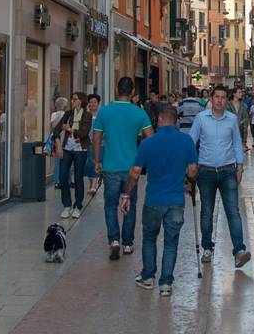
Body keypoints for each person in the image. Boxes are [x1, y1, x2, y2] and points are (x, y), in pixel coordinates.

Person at [121, 103, 197, 295]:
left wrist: (127, 194)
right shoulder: (186, 141)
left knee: (149, 239)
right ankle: (166, 284)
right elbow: (192, 170)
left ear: (159, 120)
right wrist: (186, 182)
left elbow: (135, 172)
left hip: (153, 199)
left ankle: (148, 277)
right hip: (176, 200)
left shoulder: (148, 143)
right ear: (176, 121)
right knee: (171, 242)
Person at [91, 79, 154, 260]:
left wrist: (97, 160)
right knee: (130, 205)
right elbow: (150, 138)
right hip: (131, 168)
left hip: (110, 166)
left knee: (110, 205)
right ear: (133, 91)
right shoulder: (139, 113)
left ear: (116, 89)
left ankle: (114, 240)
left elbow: (96, 139)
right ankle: (127, 243)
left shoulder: (105, 111)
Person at [191, 83, 250, 268]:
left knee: (233, 211)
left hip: (227, 171)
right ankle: (207, 248)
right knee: (207, 212)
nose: (220, 101)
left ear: (227, 100)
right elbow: (191, 142)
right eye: (216, 97)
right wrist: (190, 167)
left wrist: (240, 167)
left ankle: (239, 250)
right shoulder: (201, 118)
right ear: (211, 98)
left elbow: (237, 142)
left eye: (223, 98)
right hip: (206, 172)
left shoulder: (232, 119)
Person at [52, 92, 91, 219]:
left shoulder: (87, 115)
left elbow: (83, 133)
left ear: (81, 101)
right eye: (72, 99)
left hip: (81, 149)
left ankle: (78, 205)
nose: (72, 101)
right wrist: (58, 144)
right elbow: (56, 130)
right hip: (67, 148)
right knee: (63, 176)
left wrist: (69, 129)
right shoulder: (68, 114)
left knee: (79, 177)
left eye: (74, 99)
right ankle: (67, 205)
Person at [84, 94, 101, 186]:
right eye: (90, 102)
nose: (93, 104)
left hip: (99, 144)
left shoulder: (101, 115)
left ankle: (94, 184)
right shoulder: (84, 115)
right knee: (89, 164)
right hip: (86, 143)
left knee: (95, 162)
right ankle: (92, 183)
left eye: (95, 102)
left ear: (98, 103)